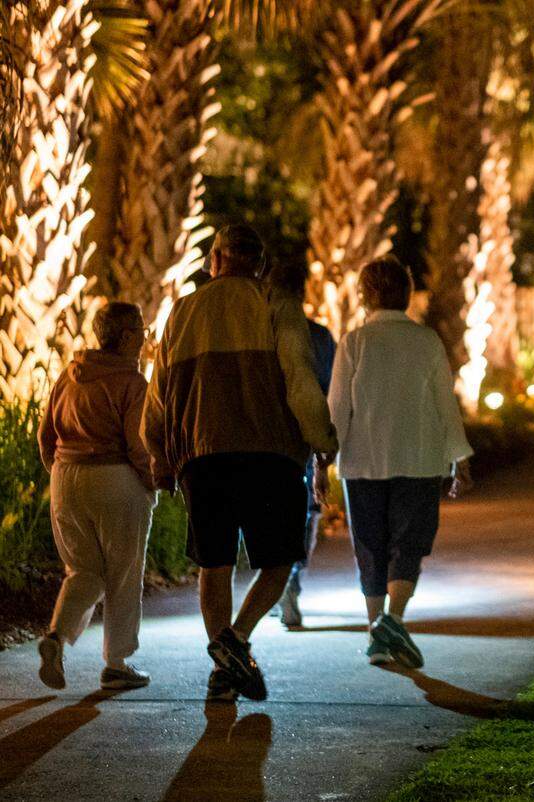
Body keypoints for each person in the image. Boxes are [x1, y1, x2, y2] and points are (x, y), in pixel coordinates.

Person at [142, 225, 338, 702]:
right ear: (261, 263)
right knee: (279, 559)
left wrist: (159, 455)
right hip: (269, 452)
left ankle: (222, 661)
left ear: (215, 260)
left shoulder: (183, 312)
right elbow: (299, 376)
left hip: (202, 454)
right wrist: (321, 441)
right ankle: (236, 640)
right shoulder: (275, 302)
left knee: (215, 563)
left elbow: (159, 392)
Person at [328, 256, 473, 668]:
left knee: (370, 547)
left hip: (363, 461)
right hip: (420, 460)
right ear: (406, 295)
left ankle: (377, 633)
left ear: (365, 295)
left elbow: (337, 409)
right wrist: (459, 458)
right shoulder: (426, 341)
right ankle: (392, 622)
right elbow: (446, 404)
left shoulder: (354, 343)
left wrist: (322, 461)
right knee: (408, 546)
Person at [36, 302, 156, 691]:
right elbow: (138, 445)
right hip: (115, 479)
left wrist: (59, 472)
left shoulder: (69, 377)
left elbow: (44, 436)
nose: (145, 336)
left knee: (84, 570)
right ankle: (117, 663)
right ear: (125, 337)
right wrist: (152, 481)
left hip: (65, 478)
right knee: (123, 572)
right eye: (141, 330)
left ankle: (56, 638)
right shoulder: (131, 382)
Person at [266, 260, 337, 629]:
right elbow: (331, 393)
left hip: (268, 440)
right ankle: (291, 580)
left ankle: (278, 583)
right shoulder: (321, 337)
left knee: (272, 514)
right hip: (306, 440)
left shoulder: (262, 335)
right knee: (307, 514)